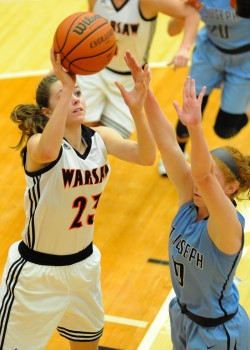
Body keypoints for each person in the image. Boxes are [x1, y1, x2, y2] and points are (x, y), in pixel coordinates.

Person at [0, 49, 156, 350]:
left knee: (87, 346)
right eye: (64, 95)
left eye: (79, 92)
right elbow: (48, 152)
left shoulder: (101, 138)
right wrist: (67, 83)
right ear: (47, 112)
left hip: (83, 266)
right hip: (37, 274)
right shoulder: (38, 145)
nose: (75, 98)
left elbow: (147, 157)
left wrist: (138, 109)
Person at [143, 69, 250, 348]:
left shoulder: (227, 226)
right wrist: (145, 95)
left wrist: (195, 128)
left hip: (217, 333)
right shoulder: (189, 200)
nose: (200, 179)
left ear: (230, 188)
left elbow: (201, 175)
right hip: (182, 317)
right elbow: (167, 144)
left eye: (213, 177)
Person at [77, 0, 200, 138]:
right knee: (83, 134)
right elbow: (88, 23)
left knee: (108, 141)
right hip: (94, 71)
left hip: (130, 79)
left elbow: (191, 14)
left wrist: (184, 48)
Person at [159, 0, 250, 176]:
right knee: (189, 113)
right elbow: (171, 31)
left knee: (225, 131)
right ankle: (178, 153)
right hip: (209, 53)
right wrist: (184, 12)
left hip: (244, 60)